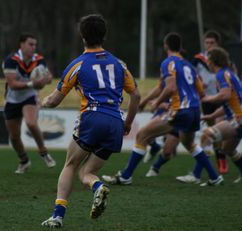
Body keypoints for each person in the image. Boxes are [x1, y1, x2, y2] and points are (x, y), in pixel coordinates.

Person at [41, 14, 140, 228]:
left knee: (70, 164)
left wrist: (42, 101)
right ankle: (97, 187)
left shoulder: (78, 64)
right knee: (87, 173)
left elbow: (55, 100)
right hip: (115, 121)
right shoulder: (119, 64)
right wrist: (128, 123)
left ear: (82, 36)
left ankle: (57, 216)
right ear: (104, 35)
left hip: (92, 117)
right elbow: (137, 96)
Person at [102, 32, 223, 187]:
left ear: (165, 46)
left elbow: (170, 87)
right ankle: (214, 177)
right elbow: (196, 92)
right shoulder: (190, 66)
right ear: (180, 47)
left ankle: (125, 176)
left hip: (181, 110)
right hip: (194, 111)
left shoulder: (168, 63)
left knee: (142, 135)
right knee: (189, 144)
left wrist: (157, 102)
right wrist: (144, 101)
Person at [2, 33, 56, 174]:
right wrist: (33, 83)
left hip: (30, 97)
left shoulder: (39, 60)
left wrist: (47, 79)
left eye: (35, 45)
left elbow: (48, 76)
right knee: (14, 136)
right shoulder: (11, 60)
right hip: (12, 99)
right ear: (21, 44)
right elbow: (12, 84)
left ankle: (44, 153)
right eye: (30, 44)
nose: (33, 47)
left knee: (31, 123)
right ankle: (24, 161)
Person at [199, 47, 242, 184]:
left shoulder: (221, 74)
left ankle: (210, 176)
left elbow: (225, 95)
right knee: (227, 149)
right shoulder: (229, 73)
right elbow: (230, 103)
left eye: (208, 60)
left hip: (238, 118)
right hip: (236, 117)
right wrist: (211, 116)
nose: (207, 63)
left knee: (206, 135)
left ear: (213, 61)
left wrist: (207, 98)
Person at [193, 30, 228, 174]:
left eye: (212, 43)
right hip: (206, 99)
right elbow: (193, 76)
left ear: (217, 43)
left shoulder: (223, 59)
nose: (209, 45)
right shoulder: (198, 59)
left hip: (220, 98)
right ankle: (218, 157)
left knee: (216, 130)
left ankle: (221, 158)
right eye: (207, 42)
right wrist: (200, 85)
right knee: (212, 131)